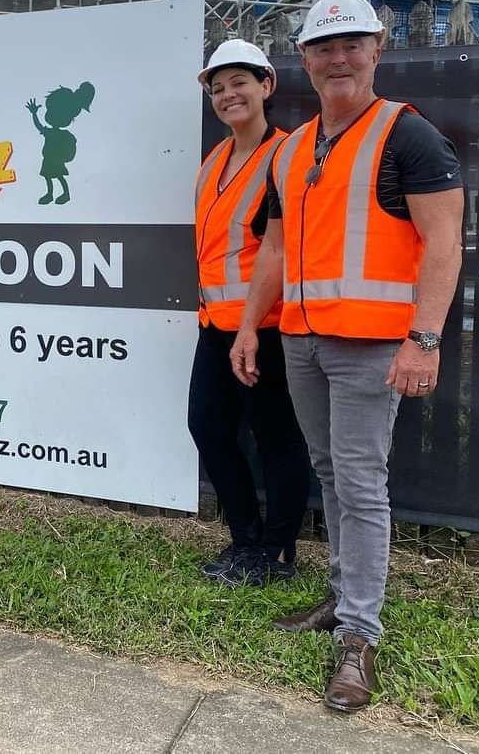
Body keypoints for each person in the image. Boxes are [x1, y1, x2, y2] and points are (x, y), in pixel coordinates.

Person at [230, 0, 464, 713]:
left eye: (352, 43)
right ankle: (342, 594)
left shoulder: (407, 135)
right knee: (331, 469)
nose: (339, 58)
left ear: (377, 49)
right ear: (303, 59)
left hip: (371, 348)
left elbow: (445, 243)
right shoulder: (293, 149)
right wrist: (249, 324)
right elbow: (275, 247)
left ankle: (359, 634)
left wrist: (423, 338)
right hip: (301, 339)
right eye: (324, 47)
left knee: (360, 482)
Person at [189, 39, 311, 587]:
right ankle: (244, 539)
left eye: (239, 82)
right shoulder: (215, 159)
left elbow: (280, 250)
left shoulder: (286, 156)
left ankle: (277, 550)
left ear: (267, 85)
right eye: (217, 88)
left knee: (276, 437)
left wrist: (249, 326)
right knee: (208, 427)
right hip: (216, 326)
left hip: (265, 328)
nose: (227, 95)